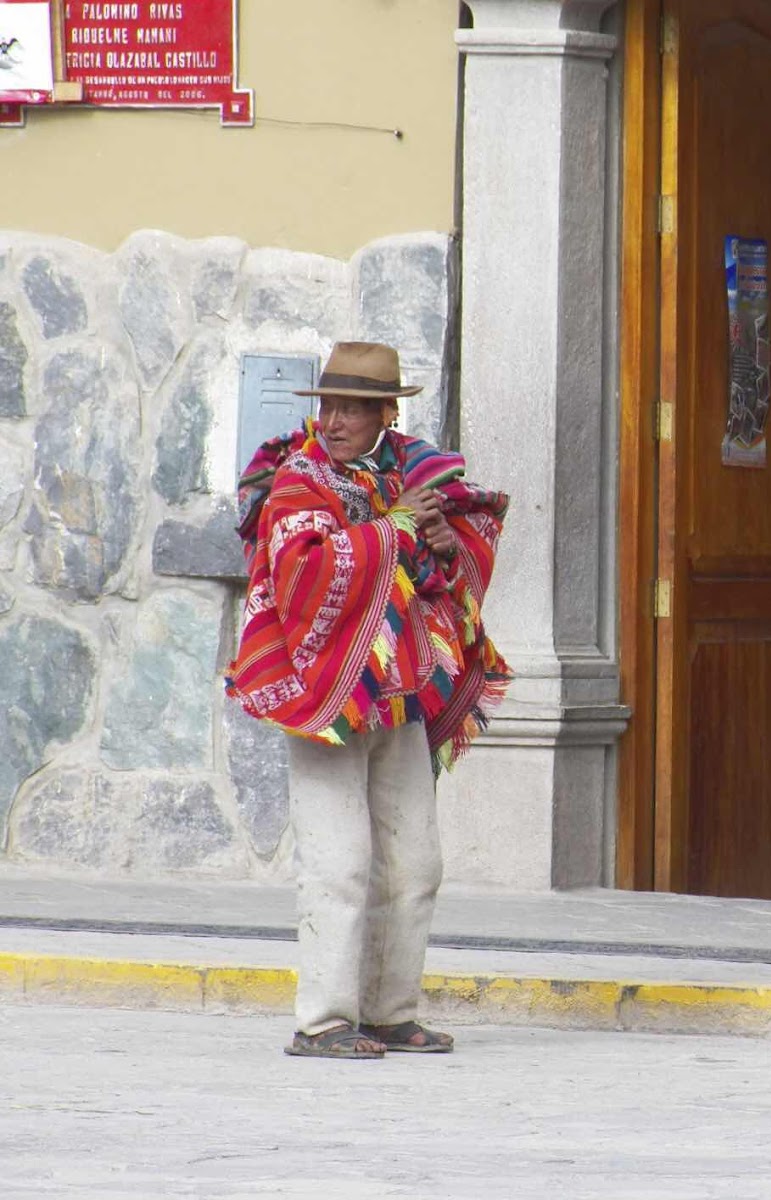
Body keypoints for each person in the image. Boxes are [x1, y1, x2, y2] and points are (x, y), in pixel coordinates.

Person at [226, 341, 512, 1060]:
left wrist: (444, 543)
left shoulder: (407, 478)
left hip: (398, 695)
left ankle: (391, 1011)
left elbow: (449, 579)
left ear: (389, 413)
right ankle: (323, 1020)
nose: (338, 419)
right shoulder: (300, 484)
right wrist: (396, 530)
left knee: (415, 860)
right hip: (324, 696)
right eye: (329, 404)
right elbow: (302, 577)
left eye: (355, 406)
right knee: (339, 860)